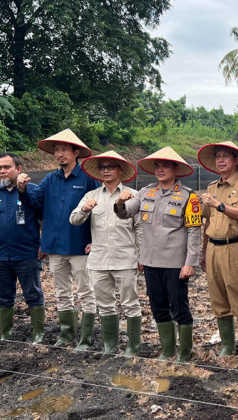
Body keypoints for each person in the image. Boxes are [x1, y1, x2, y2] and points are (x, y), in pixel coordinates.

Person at [114, 146, 201, 363]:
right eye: (157, 166)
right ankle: (167, 350)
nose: (160, 169)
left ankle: (184, 352)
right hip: (151, 263)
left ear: (176, 169)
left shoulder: (189, 197)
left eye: (165, 165)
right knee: (158, 307)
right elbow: (125, 213)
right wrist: (119, 202)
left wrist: (190, 263)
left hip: (175, 263)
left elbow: (193, 231)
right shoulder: (146, 192)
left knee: (179, 307)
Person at [17, 129, 99, 350]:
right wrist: (23, 190)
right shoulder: (50, 179)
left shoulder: (89, 179)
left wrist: (96, 240)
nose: (59, 154)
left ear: (76, 152)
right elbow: (35, 203)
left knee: (85, 290)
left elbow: (98, 212)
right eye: (56, 151)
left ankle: (86, 337)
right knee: (62, 292)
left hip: (81, 245)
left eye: (64, 150)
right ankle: (66, 334)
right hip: (54, 245)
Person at [70, 151, 142, 356]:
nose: (106, 170)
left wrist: (142, 255)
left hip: (125, 258)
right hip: (99, 260)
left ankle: (132, 346)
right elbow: (73, 220)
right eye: (103, 167)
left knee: (130, 303)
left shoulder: (132, 195)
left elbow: (140, 229)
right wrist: (84, 209)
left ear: (120, 170)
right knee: (105, 304)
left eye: (110, 167)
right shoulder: (91, 196)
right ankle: (110, 345)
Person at [0, 153, 44, 343]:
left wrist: (44, 243)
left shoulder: (33, 190)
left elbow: (44, 216)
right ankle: (6, 333)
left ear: (18, 169)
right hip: (0, 254)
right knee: (3, 295)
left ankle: (38, 333)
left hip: (28, 252)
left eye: (7, 167)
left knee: (33, 293)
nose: (3, 171)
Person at [198, 141, 238, 364]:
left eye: (225, 156)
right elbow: (207, 221)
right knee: (218, 298)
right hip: (213, 246)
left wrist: (219, 204)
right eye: (217, 157)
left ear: (236, 160)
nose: (220, 160)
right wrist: (204, 252)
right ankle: (227, 345)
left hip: (236, 246)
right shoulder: (212, 187)